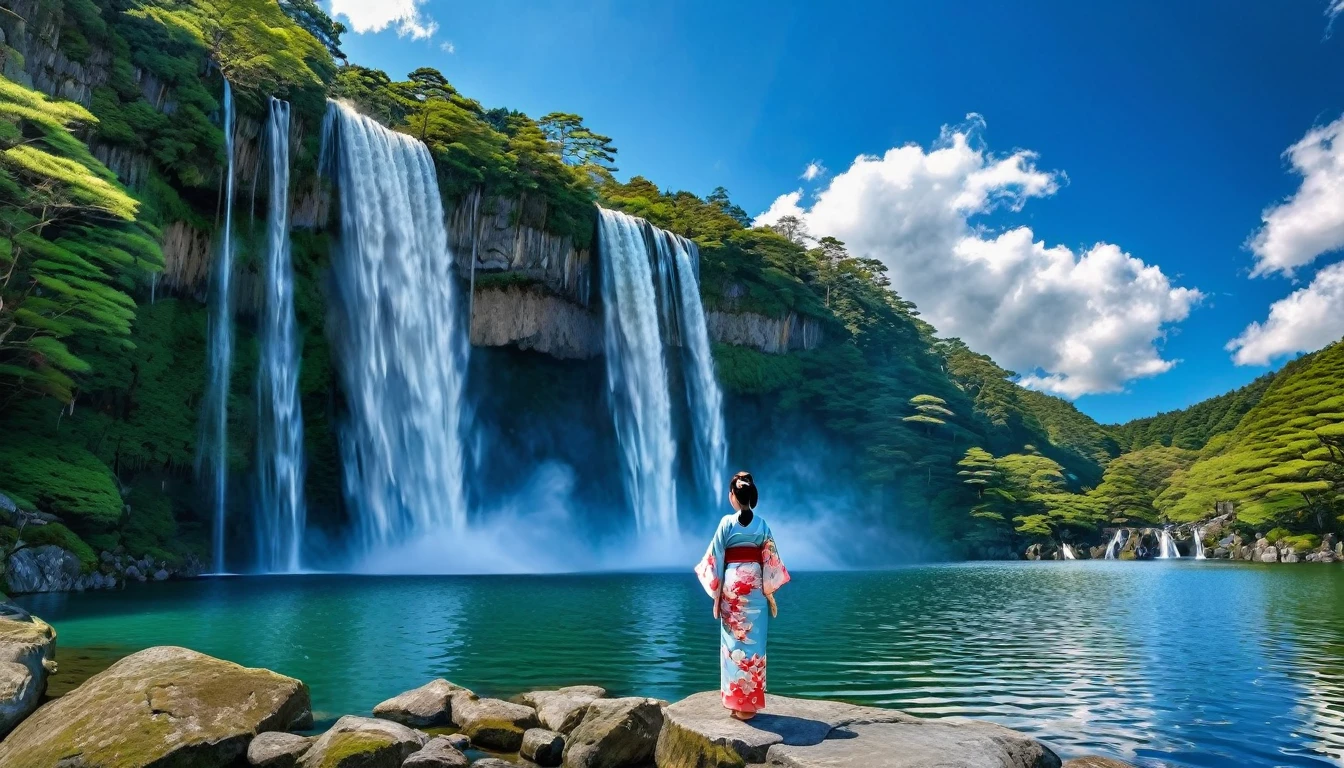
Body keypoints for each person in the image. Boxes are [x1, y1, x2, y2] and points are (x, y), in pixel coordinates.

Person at [694, 471, 790, 720]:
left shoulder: (726, 522)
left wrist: (717, 594)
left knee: (732, 644)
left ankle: (736, 703)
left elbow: (715, 558)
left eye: (731, 492)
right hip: (755, 585)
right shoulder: (762, 524)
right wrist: (769, 592)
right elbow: (771, 560)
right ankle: (749, 706)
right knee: (755, 644)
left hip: (733, 586)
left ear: (734, 496)